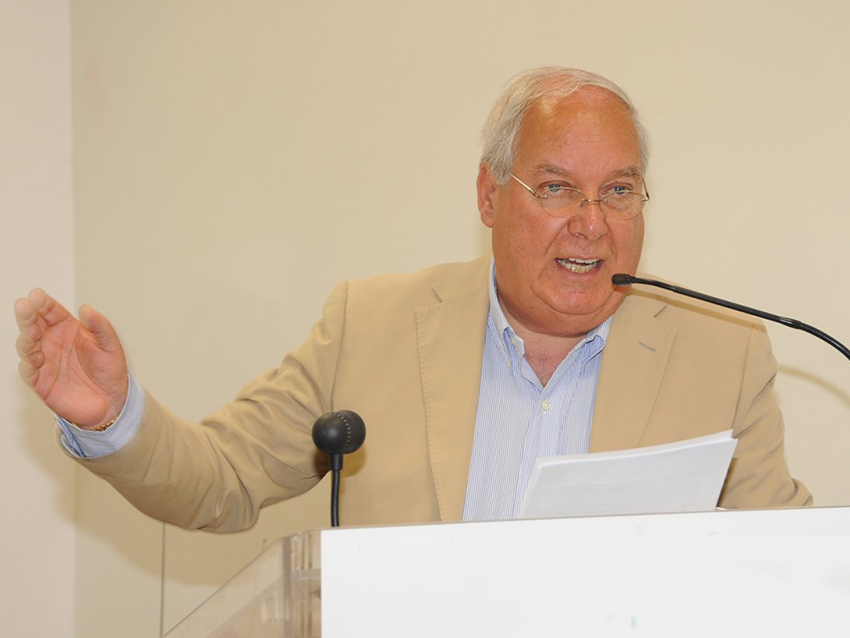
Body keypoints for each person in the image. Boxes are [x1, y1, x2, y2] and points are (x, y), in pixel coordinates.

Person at [14, 67, 811, 531]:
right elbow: (221, 478)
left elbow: (790, 561)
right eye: (557, 188)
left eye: (620, 191)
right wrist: (113, 418)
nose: (592, 223)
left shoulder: (723, 356)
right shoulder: (370, 327)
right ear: (489, 196)